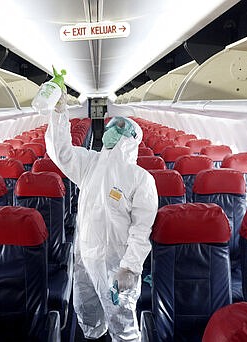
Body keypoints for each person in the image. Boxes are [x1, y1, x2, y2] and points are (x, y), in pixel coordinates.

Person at [45, 93, 158, 342]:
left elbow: (141, 230)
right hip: (85, 256)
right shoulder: (90, 163)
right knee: (87, 314)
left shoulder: (141, 179)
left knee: (123, 322)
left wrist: (130, 267)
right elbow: (61, 152)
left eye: (118, 127)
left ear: (131, 138)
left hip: (116, 264)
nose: (109, 130)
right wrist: (58, 114)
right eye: (109, 126)